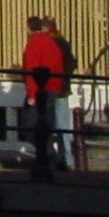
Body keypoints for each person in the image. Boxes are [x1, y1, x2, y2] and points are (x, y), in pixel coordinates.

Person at [19, 15, 72, 168]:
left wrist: (31, 94)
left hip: (42, 89)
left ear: (29, 28)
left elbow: (31, 69)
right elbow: (59, 65)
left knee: (30, 124)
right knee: (49, 123)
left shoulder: (34, 44)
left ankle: (47, 156)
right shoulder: (51, 43)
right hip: (54, 87)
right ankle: (54, 157)